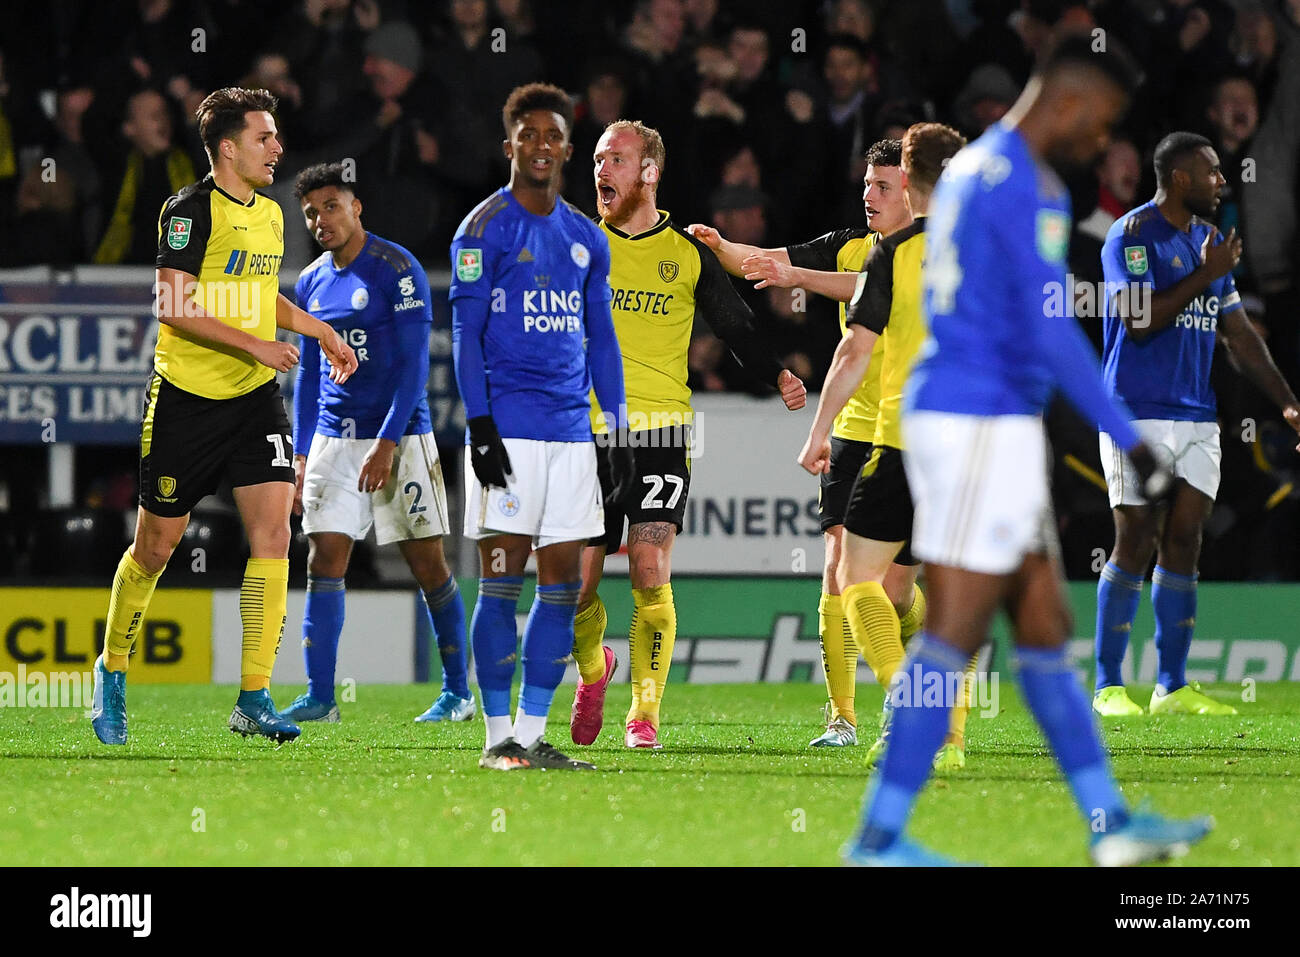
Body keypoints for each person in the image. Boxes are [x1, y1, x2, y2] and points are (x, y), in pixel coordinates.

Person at [845, 34, 1211, 866]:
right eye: (1103, 121)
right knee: (954, 632)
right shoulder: (1024, 184)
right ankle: (878, 836)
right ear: (1073, 102)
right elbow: (1050, 328)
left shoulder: (979, 173)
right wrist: (1126, 434)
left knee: (1043, 623)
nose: (1102, 140)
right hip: (977, 421)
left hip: (981, 418)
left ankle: (1109, 822)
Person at [89, 87, 358, 747]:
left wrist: (318, 328)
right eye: (265, 138)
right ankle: (113, 670)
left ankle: (253, 695)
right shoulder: (187, 209)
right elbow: (173, 306)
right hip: (185, 399)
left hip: (252, 399)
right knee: (156, 547)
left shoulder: (268, 214)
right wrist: (256, 343)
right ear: (230, 147)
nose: (278, 148)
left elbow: (259, 298)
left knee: (273, 534)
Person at [569, 119, 806, 751]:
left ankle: (643, 715)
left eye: (615, 160)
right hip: (588, 432)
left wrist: (777, 372)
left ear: (649, 172)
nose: (601, 171)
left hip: (661, 430)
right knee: (574, 587)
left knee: (649, 564)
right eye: (597, 159)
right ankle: (595, 672)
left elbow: (735, 324)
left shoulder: (686, 251)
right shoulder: (580, 244)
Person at [693, 139, 937, 752]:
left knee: (896, 593)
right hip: (856, 431)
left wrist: (796, 275)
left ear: (911, 190)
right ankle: (844, 719)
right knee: (835, 571)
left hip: (913, 438)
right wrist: (725, 251)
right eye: (866, 185)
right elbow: (770, 259)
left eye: (882, 186)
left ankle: (918, 676)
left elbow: (859, 284)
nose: (868, 196)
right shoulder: (849, 242)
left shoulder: (930, 254)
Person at [450, 83, 633, 771]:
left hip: (571, 435)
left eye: (552, 135)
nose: (540, 146)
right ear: (510, 147)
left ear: (566, 147)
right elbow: (466, 336)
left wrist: (611, 430)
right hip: (512, 432)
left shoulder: (587, 237)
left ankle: (530, 734)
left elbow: (603, 341)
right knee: (501, 582)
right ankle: (496, 736)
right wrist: (480, 424)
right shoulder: (482, 229)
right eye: (528, 135)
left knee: (563, 587)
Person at [1091, 131, 1300, 717]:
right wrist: (1203, 276)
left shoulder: (1211, 242)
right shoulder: (1130, 237)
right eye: (1211, 173)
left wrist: (1286, 400)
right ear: (1181, 178)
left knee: (1185, 540)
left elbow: (1238, 335)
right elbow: (1138, 323)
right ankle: (1108, 686)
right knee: (1134, 539)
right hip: (1135, 411)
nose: (1222, 182)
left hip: (1197, 415)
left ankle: (1172, 687)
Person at [794, 123, 978, 774]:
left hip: (904, 439)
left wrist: (818, 432)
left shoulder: (893, 252)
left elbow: (853, 349)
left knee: (854, 580)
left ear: (908, 173)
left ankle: (908, 705)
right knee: (944, 598)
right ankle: (950, 739)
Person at [282, 161, 473, 726]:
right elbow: (309, 376)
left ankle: (458, 692)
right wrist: (298, 452)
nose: (321, 219)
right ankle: (321, 697)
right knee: (324, 557)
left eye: (331, 206)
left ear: (356, 207)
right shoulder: (311, 281)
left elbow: (415, 365)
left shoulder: (397, 268)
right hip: (332, 440)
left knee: (427, 564)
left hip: (401, 436)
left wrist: (388, 441)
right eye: (311, 212)